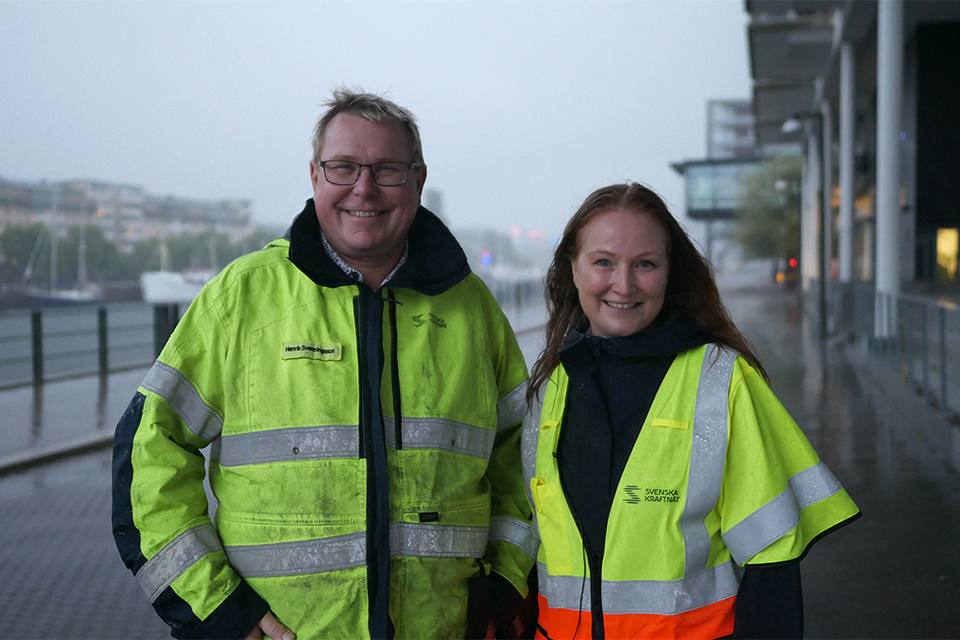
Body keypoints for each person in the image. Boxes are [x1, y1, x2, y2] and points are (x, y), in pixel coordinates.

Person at [112, 89, 537, 640]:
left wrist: (501, 587)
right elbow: (151, 451)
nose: (364, 187)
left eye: (387, 169)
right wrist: (218, 610)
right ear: (315, 176)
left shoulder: (472, 309)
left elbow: (524, 467)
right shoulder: (243, 297)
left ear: (418, 180)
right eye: (343, 167)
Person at [521, 183, 860, 639]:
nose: (623, 285)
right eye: (604, 262)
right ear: (573, 269)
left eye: (645, 264)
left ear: (669, 272)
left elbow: (772, 563)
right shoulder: (549, 388)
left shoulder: (722, 381)